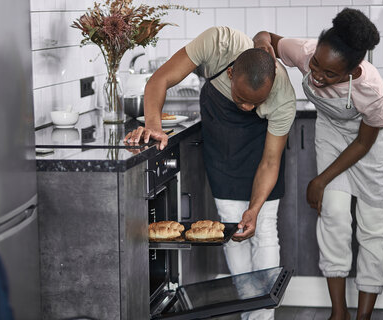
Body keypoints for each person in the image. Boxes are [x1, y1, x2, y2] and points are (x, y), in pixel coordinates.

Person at [125, 26, 296, 320]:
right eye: (241, 98)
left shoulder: (283, 98)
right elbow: (160, 79)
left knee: (264, 226)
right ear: (230, 74)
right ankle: (248, 309)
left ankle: (262, 317)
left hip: (263, 144)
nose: (246, 106)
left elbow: (270, 162)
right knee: (232, 226)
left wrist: (254, 207)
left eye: (255, 102)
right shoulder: (217, 43)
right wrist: (153, 124)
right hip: (223, 143)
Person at [253, 8, 383, 320]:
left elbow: (364, 143)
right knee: (332, 215)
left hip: (374, 144)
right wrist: (261, 46)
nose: (317, 76)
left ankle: (363, 316)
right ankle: (339, 313)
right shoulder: (306, 51)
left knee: (373, 228)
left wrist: (320, 179)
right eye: (316, 66)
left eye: (330, 74)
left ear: (352, 71)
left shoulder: (372, 92)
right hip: (333, 131)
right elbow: (266, 36)